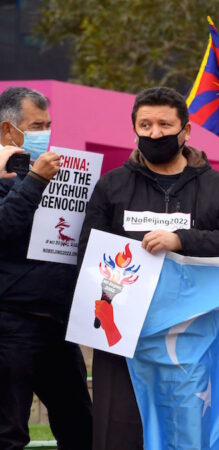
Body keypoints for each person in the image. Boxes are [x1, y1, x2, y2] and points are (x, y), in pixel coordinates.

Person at [79, 86, 219, 450]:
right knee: (121, 432)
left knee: (185, 432)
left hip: (191, 336)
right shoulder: (112, 186)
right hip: (124, 339)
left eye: (164, 124)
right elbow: (87, 253)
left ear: (186, 131)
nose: (154, 133)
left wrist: (182, 240)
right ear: (135, 129)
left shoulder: (218, 187)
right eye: (145, 124)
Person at [0, 86, 92, 450]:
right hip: (11, 324)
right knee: (8, 432)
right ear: (9, 130)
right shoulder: (23, 178)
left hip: (57, 323)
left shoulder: (56, 172)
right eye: (37, 125)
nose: (45, 133)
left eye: (49, 124)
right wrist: (35, 181)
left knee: (82, 427)